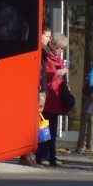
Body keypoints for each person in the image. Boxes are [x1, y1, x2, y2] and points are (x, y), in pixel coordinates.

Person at [37, 31, 68, 166]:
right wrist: (58, 73)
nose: (61, 50)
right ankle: (42, 156)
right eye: (60, 47)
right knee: (45, 128)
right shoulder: (47, 56)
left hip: (56, 95)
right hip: (48, 96)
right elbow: (43, 74)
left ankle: (52, 156)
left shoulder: (57, 58)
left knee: (53, 129)